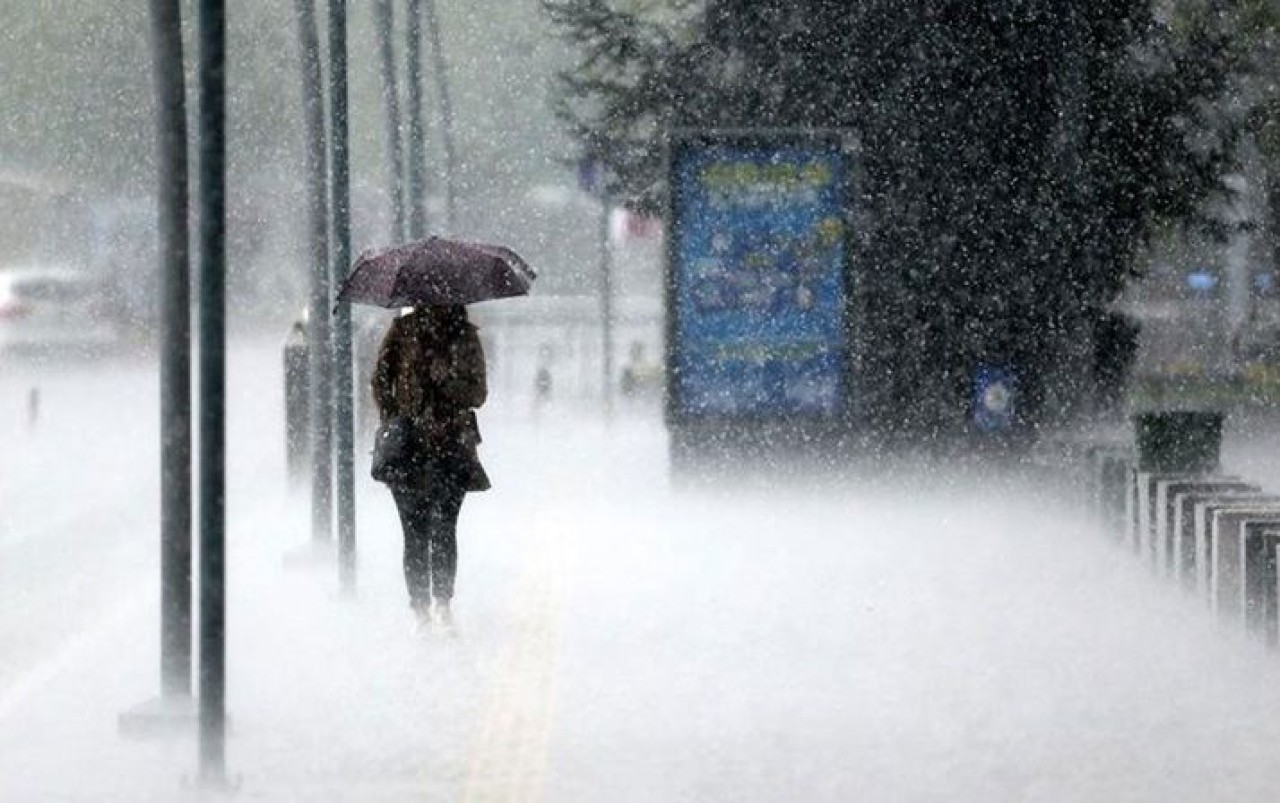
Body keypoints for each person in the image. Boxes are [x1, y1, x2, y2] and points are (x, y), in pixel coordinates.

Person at [371, 304, 490, 632]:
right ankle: (421, 607)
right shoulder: (402, 332)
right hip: (408, 448)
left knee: (444, 526)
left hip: (450, 444)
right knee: (414, 530)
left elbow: (478, 393)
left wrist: (447, 380)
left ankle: (442, 602)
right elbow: (380, 380)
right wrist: (395, 417)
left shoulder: (465, 336)